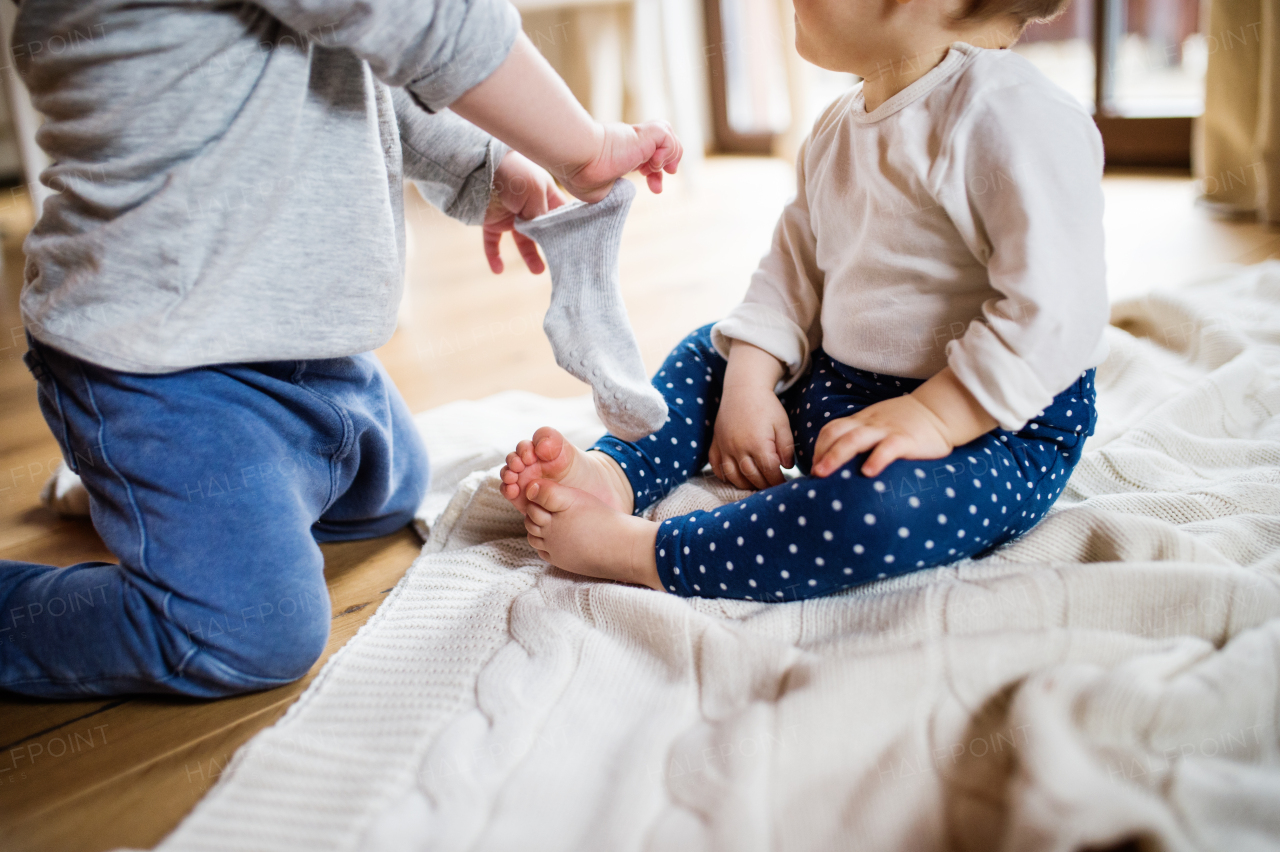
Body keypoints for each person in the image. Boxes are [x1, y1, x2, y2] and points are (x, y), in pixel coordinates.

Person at [0, 0, 681, 698]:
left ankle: (156, 499)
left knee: (392, 490)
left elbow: (356, 65)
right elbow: (424, 21)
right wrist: (584, 146)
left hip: (312, 351)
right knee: (253, 633)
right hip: (163, 369)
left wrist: (486, 162)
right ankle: (139, 493)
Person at [499, 0, 1106, 601]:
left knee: (876, 513)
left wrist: (934, 416)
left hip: (992, 427)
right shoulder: (835, 128)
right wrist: (749, 386)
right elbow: (790, 277)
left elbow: (1056, 311)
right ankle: (615, 475)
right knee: (714, 351)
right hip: (843, 386)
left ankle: (644, 550)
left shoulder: (1012, 112)